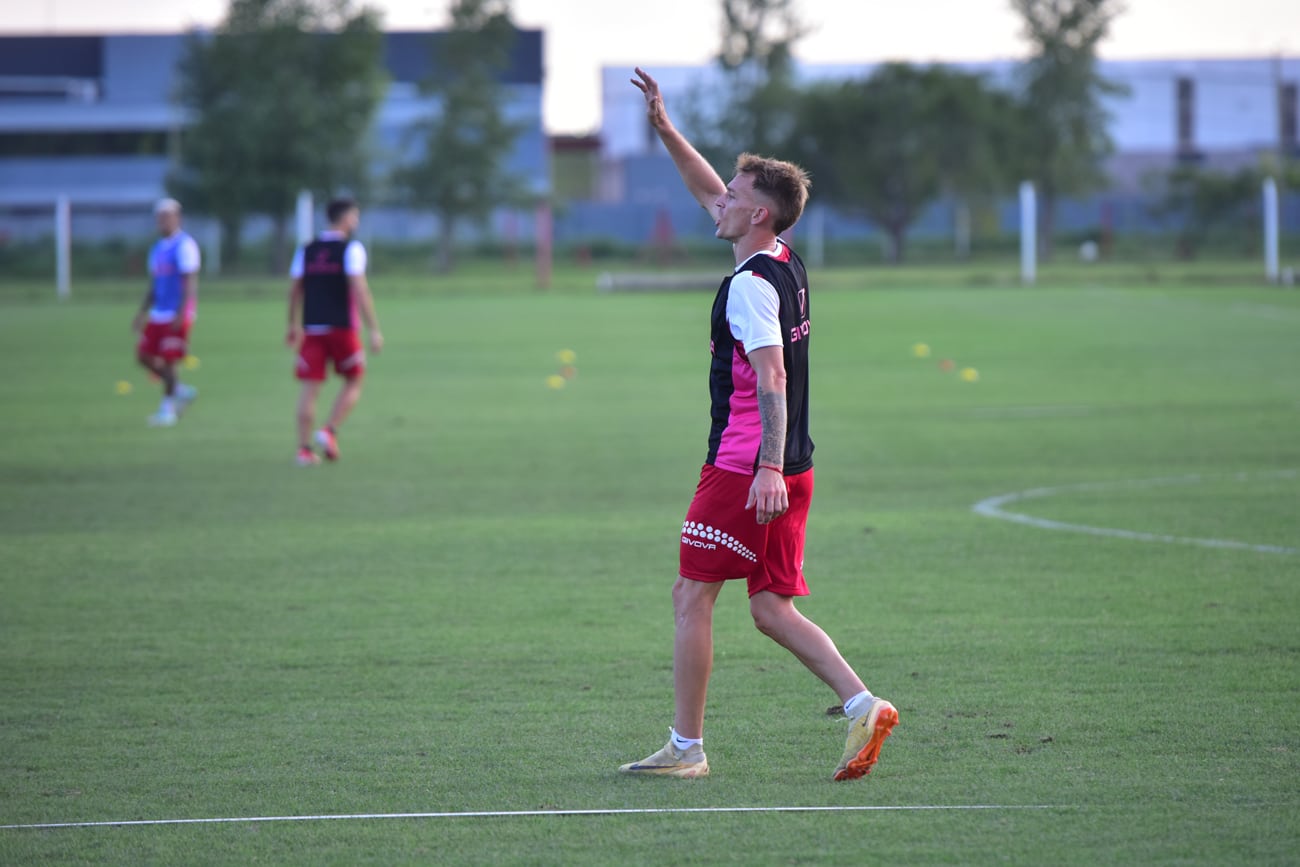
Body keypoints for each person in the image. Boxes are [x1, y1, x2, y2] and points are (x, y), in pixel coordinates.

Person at [619, 68, 897, 781]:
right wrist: (667, 129)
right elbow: (706, 186)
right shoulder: (782, 260)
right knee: (770, 606)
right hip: (792, 467)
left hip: (749, 469)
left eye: (736, 198)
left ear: (759, 216)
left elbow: (771, 375)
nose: (721, 201)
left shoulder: (747, 288)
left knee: (692, 594)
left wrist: (765, 465)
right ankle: (863, 703)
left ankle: (686, 748)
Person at [286, 196, 383, 466]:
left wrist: (291, 325)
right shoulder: (351, 249)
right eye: (355, 216)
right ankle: (328, 430)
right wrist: (374, 328)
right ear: (345, 218)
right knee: (354, 380)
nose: (357, 222)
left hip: (312, 328)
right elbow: (359, 289)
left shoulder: (306, 250)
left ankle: (304, 450)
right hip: (343, 327)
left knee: (310, 387)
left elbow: (295, 290)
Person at [132, 198, 200, 427]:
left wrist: (183, 312)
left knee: (170, 361)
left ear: (177, 218)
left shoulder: (185, 245)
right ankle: (180, 390)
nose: (164, 221)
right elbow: (155, 284)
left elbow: (189, 281)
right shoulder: (157, 249)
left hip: (176, 313)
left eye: (168, 216)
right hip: (159, 312)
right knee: (143, 356)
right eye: (160, 217)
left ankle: (167, 410)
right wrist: (142, 312)